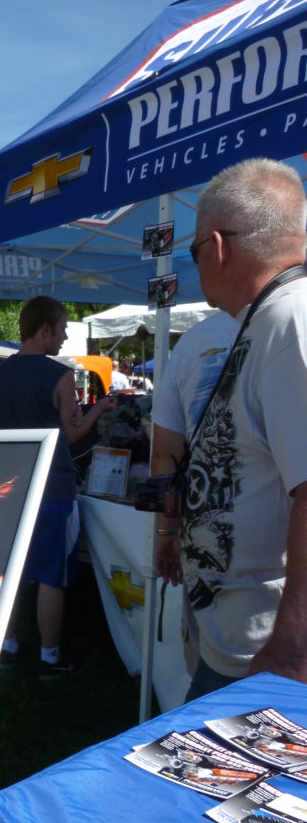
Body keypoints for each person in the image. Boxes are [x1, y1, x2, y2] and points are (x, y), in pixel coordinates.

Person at [162, 157, 307, 697]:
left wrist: (293, 645)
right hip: (240, 634)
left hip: (264, 648)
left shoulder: (292, 319)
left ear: (218, 247)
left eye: (195, 250)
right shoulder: (274, 317)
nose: (197, 264)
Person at [0, 296, 116, 679]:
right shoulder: (58, 375)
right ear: (44, 329)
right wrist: (100, 409)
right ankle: (49, 656)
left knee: (10, 572)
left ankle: (7, 646)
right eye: (61, 329)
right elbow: (74, 434)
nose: (62, 338)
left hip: (8, 482)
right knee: (51, 575)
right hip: (51, 485)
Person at [151, 311, 239, 680]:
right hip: (279, 550)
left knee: (209, 667)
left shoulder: (192, 342)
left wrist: (166, 533)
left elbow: (164, 457)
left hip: (207, 541)